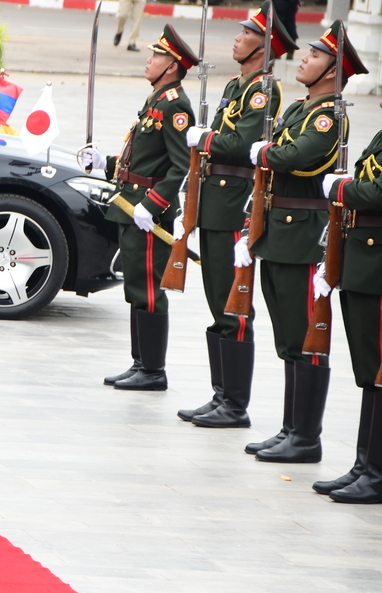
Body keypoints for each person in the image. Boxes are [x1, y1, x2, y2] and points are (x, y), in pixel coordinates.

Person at [242, 21, 368, 463]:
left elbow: (295, 156)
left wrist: (263, 153)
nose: (303, 58)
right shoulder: (301, 109)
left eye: (315, 55)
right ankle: (290, 428)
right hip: (279, 231)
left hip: (303, 235)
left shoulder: (328, 116)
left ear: (333, 71)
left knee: (306, 337)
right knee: (288, 336)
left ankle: (306, 438)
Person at [175, 2, 297, 430]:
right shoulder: (235, 85)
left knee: (234, 305)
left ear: (263, 47)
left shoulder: (264, 89)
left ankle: (236, 404)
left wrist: (205, 139)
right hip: (213, 201)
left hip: (233, 203)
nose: (237, 37)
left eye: (247, 33)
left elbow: (244, 143)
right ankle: (221, 394)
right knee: (216, 302)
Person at [82, 25, 198, 391]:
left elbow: (181, 166)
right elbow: (142, 161)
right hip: (131, 206)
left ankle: (153, 370)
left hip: (149, 214)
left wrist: (153, 204)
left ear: (172, 66)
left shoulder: (175, 105)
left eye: (157, 55)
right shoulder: (156, 101)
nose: (149, 60)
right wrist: (105, 164)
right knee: (136, 286)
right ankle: (140, 363)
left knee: (148, 289)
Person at [312, 104, 382, 503]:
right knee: (369, 371)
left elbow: (377, 192)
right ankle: (364, 465)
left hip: (377, 264)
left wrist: (340, 189)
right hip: (362, 261)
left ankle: (376, 473)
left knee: (379, 369)